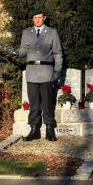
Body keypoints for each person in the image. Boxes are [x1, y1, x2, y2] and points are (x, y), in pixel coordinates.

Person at [13, 8, 63, 142]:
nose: (38, 20)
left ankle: (49, 129)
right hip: (31, 71)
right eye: (35, 18)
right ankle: (34, 129)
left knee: (47, 102)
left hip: (47, 71)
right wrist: (16, 52)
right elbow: (23, 51)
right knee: (34, 103)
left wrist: (57, 71)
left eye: (40, 17)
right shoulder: (26, 32)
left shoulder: (52, 32)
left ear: (44, 17)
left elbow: (57, 53)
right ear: (32, 19)